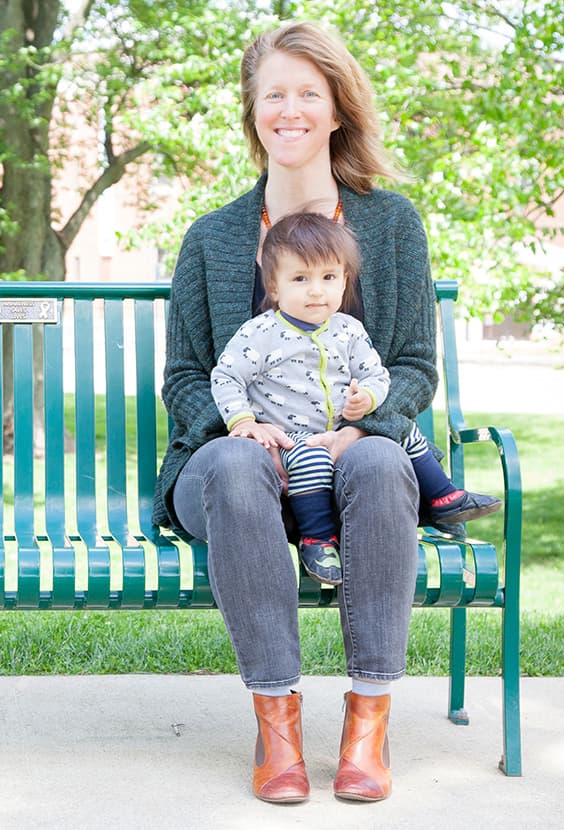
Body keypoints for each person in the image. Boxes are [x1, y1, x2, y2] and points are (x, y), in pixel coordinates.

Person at [154, 20, 449, 803]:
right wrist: (242, 428)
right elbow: (183, 376)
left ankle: (367, 727)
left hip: (351, 471)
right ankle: (276, 726)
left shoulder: (391, 226)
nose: (290, 109)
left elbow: (415, 366)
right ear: (253, 112)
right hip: (230, 476)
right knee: (238, 463)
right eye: (273, 93)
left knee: (386, 459)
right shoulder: (212, 238)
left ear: (338, 109)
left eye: (307, 93)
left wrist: (360, 430)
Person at [210, 212, 502, 587]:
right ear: (275, 287)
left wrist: (367, 398)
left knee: (403, 429)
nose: (317, 291)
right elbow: (226, 376)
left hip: (345, 434)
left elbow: (377, 375)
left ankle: (444, 496)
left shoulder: (348, 330)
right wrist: (244, 422)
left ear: (344, 281)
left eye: (329, 278)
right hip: (291, 439)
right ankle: (317, 540)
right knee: (310, 458)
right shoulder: (262, 333)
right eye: (301, 279)